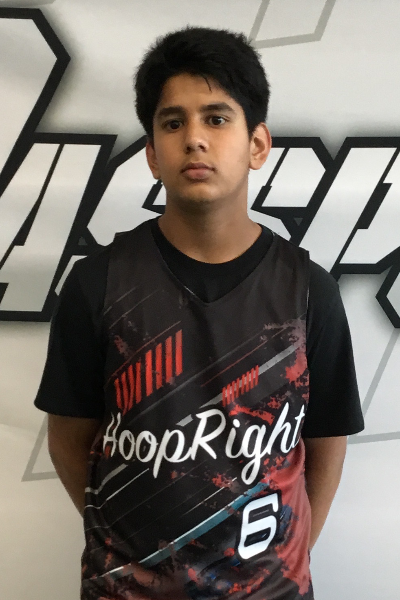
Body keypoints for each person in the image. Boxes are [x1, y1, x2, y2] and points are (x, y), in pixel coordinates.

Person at [34, 26, 364, 600]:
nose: (194, 139)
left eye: (216, 118)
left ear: (257, 144)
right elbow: (68, 436)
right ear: (151, 154)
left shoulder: (308, 291)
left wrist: (289, 555)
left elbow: (326, 439)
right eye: (172, 123)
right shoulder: (97, 284)